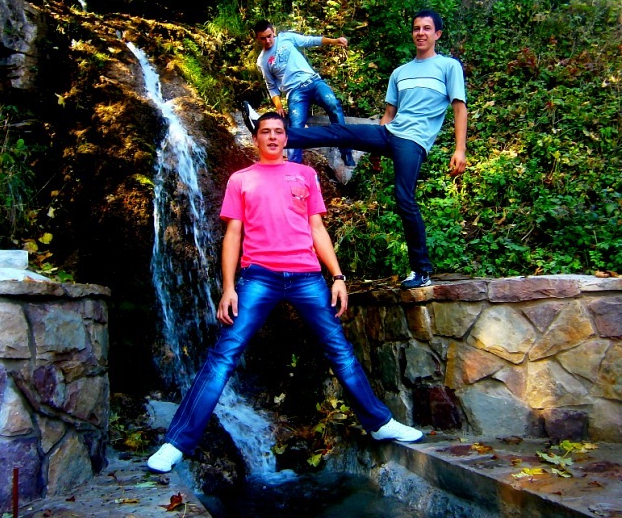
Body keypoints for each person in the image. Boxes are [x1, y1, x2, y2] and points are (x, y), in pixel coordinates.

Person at [147, 113, 423, 473]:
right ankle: (175, 443)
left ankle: (379, 423)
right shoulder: (241, 179)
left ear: (286, 137)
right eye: (266, 132)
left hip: (307, 276)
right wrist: (228, 287)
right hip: (259, 277)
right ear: (257, 138)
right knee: (224, 356)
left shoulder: (305, 174)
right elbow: (233, 235)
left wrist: (338, 276)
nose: (273, 137)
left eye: (279, 131)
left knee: (339, 350)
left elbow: (317, 228)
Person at [281, 9, 468, 290]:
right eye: (416, 28)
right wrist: (377, 151)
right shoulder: (400, 73)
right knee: (340, 131)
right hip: (389, 133)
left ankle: (421, 270)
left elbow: (459, 108)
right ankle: (281, 136)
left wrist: (460, 149)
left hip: (414, 141)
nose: (420, 33)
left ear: (437, 34)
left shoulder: (448, 67)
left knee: (404, 198)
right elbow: (389, 114)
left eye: (427, 28)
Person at [253, 19, 356, 167]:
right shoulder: (263, 61)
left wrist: (334, 41)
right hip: (295, 92)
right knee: (296, 128)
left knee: (333, 104)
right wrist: (278, 105)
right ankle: (293, 166)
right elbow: (271, 86)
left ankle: (346, 153)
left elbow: (309, 40)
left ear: (273, 31)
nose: (267, 41)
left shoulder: (286, 38)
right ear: (258, 38)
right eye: (263, 38)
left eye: (269, 36)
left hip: (313, 82)